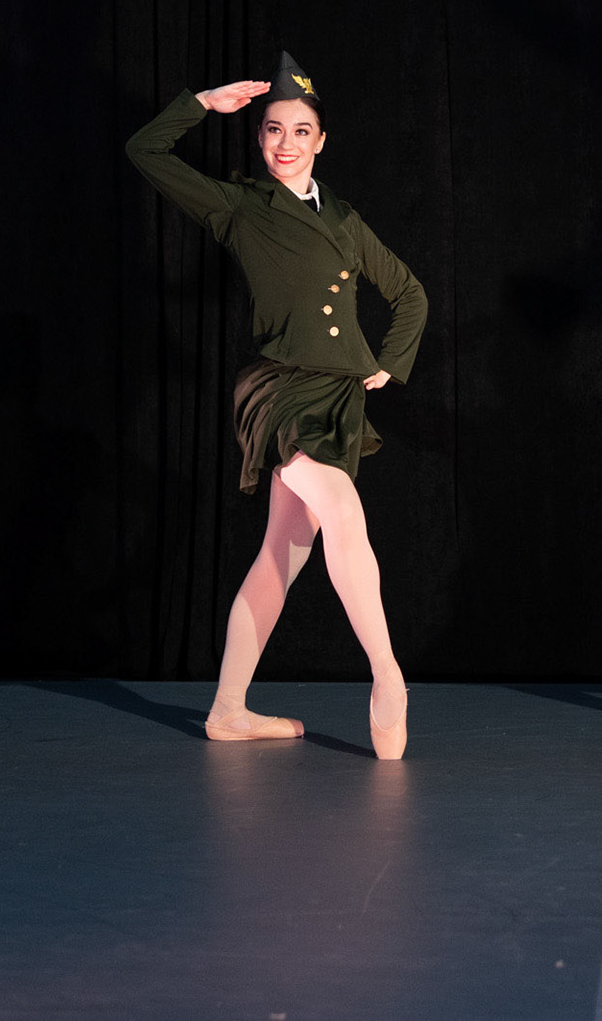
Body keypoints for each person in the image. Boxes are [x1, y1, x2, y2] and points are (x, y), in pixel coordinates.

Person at [125, 53, 428, 759]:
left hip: (339, 394)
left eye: (299, 130)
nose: (285, 143)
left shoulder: (345, 218)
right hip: (281, 389)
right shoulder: (238, 206)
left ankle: (229, 709)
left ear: (321, 141)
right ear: (258, 138)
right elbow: (144, 151)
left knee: (283, 552)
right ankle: (389, 678)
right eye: (272, 130)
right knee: (343, 511)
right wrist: (202, 103)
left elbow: (409, 291)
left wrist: (388, 362)